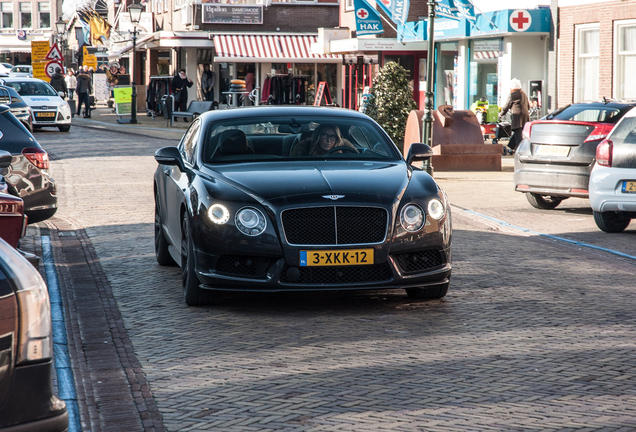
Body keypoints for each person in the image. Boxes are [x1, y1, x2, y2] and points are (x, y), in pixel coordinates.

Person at [500, 78, 530, 154]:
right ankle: (510, 146)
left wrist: (501, 114)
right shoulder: (523, 94)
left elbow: (506, 106)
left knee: (517, 132)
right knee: (518, 131)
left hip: (517, 116)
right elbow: (528, 106)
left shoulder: (512, 94)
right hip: (525, 116)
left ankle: (521, 150)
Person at [290, 125, 357, 156]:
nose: (328, 140)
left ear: (337, 139)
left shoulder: (346, 151)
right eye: (324, 135)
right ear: (318, 136)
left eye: (332, 136)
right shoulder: (305, 150)